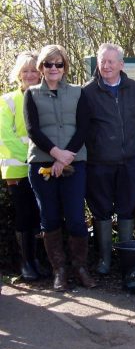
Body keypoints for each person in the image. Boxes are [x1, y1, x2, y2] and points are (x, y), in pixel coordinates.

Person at [24, 44, 95, 290]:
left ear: (65, 66)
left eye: (59, 64)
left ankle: (81, 267)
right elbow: (33, 129)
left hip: (74, 163)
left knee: (76, 218)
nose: (53, 68)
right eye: (48, 64)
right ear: (41, 67)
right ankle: (60, 271)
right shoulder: (31, 94)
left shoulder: (78, 92)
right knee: (50, 219)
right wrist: (55, 154)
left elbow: (84, 127)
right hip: (41, 165)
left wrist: (65, 158)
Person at [83, 43, 135, 275]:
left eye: (111, 61)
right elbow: (81, 128)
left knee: (126, 209)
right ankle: (104, 260)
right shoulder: (87, 92)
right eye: (103, 61)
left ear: (121, 64)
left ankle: (126, 258)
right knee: (101, 210)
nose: (106, 66)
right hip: (99, 164)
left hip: (129, 162)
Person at [0, 51, 49, 281]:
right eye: (25, 70)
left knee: (42, 215)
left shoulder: (45, 96)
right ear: (18, 74)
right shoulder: (8, 100)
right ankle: (26, 263)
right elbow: (6, 137)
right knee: (24, 214)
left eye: (33, 70)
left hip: (41, 166)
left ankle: (38, 260)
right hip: (18, 167)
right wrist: (29, 156)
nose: (30, 75)